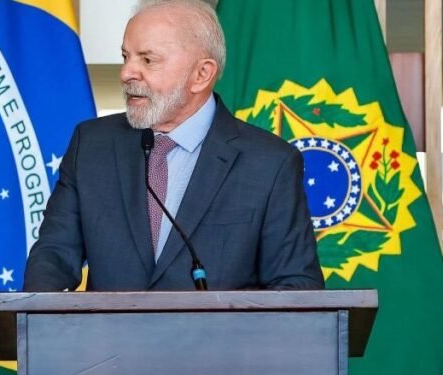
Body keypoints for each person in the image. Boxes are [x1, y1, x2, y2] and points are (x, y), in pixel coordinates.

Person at [23, 0, 323, 291]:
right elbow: (53, 255)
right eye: (126, 56)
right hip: (106, 329)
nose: (126, 73)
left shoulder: (270, 163)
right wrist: (36, 314)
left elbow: (296, 285)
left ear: (201, 74)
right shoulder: (91, 145)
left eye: (148, 60)